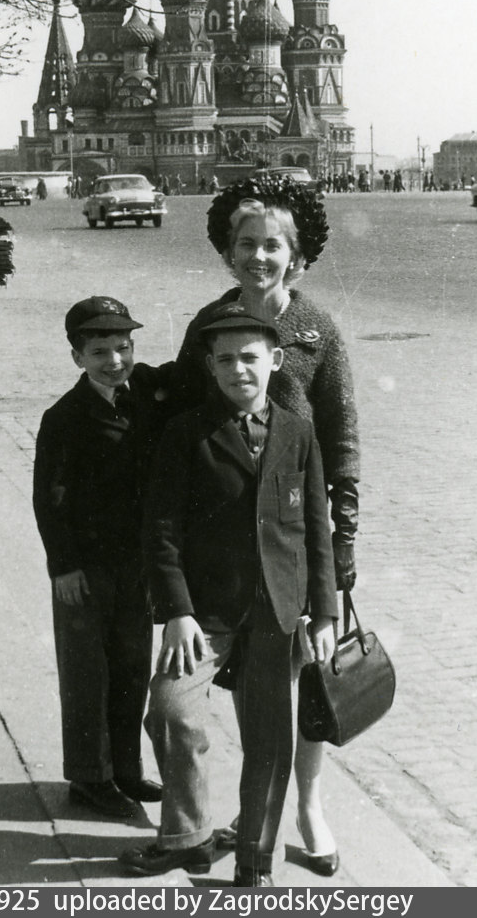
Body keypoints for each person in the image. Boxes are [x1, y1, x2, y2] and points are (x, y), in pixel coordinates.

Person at [167, 173, 358, 876]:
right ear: (227, 250)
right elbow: (183, 427)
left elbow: (340, 439)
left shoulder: (316, 332)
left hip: (296, 538)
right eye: (245, 244)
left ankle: (305, 805)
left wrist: (341, 539)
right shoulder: (208, 325)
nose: (258, 257)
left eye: (272, 245)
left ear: (296, 253)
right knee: (236, 692)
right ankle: (246, 820)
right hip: (223, 545)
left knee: (307, 675)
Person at [122, 302, 337, 885]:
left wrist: (323, 610)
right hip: (205, 612)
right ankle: (188, 834)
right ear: (210, 368)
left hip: (276, 609)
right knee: (171, 709)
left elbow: (316, 526)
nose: (239, 370)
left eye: (250, 358)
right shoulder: (186, 434)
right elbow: (160, 531)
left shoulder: (298, 433)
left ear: (275, 361)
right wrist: (177, 613)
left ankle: (254, 858)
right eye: (226, 361)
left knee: (269, 737)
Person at [33, 297, 170, 820]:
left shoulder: (144, 401)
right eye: (99, 351)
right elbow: (49, 497)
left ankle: (127, 768)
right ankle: (90, 778)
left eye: (123, 347)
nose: (114, 360)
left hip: (133, 565)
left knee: (132, 664)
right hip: (84, 570)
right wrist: (62, 566)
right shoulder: (64, 417)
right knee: (88, 672)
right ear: (76, 358)